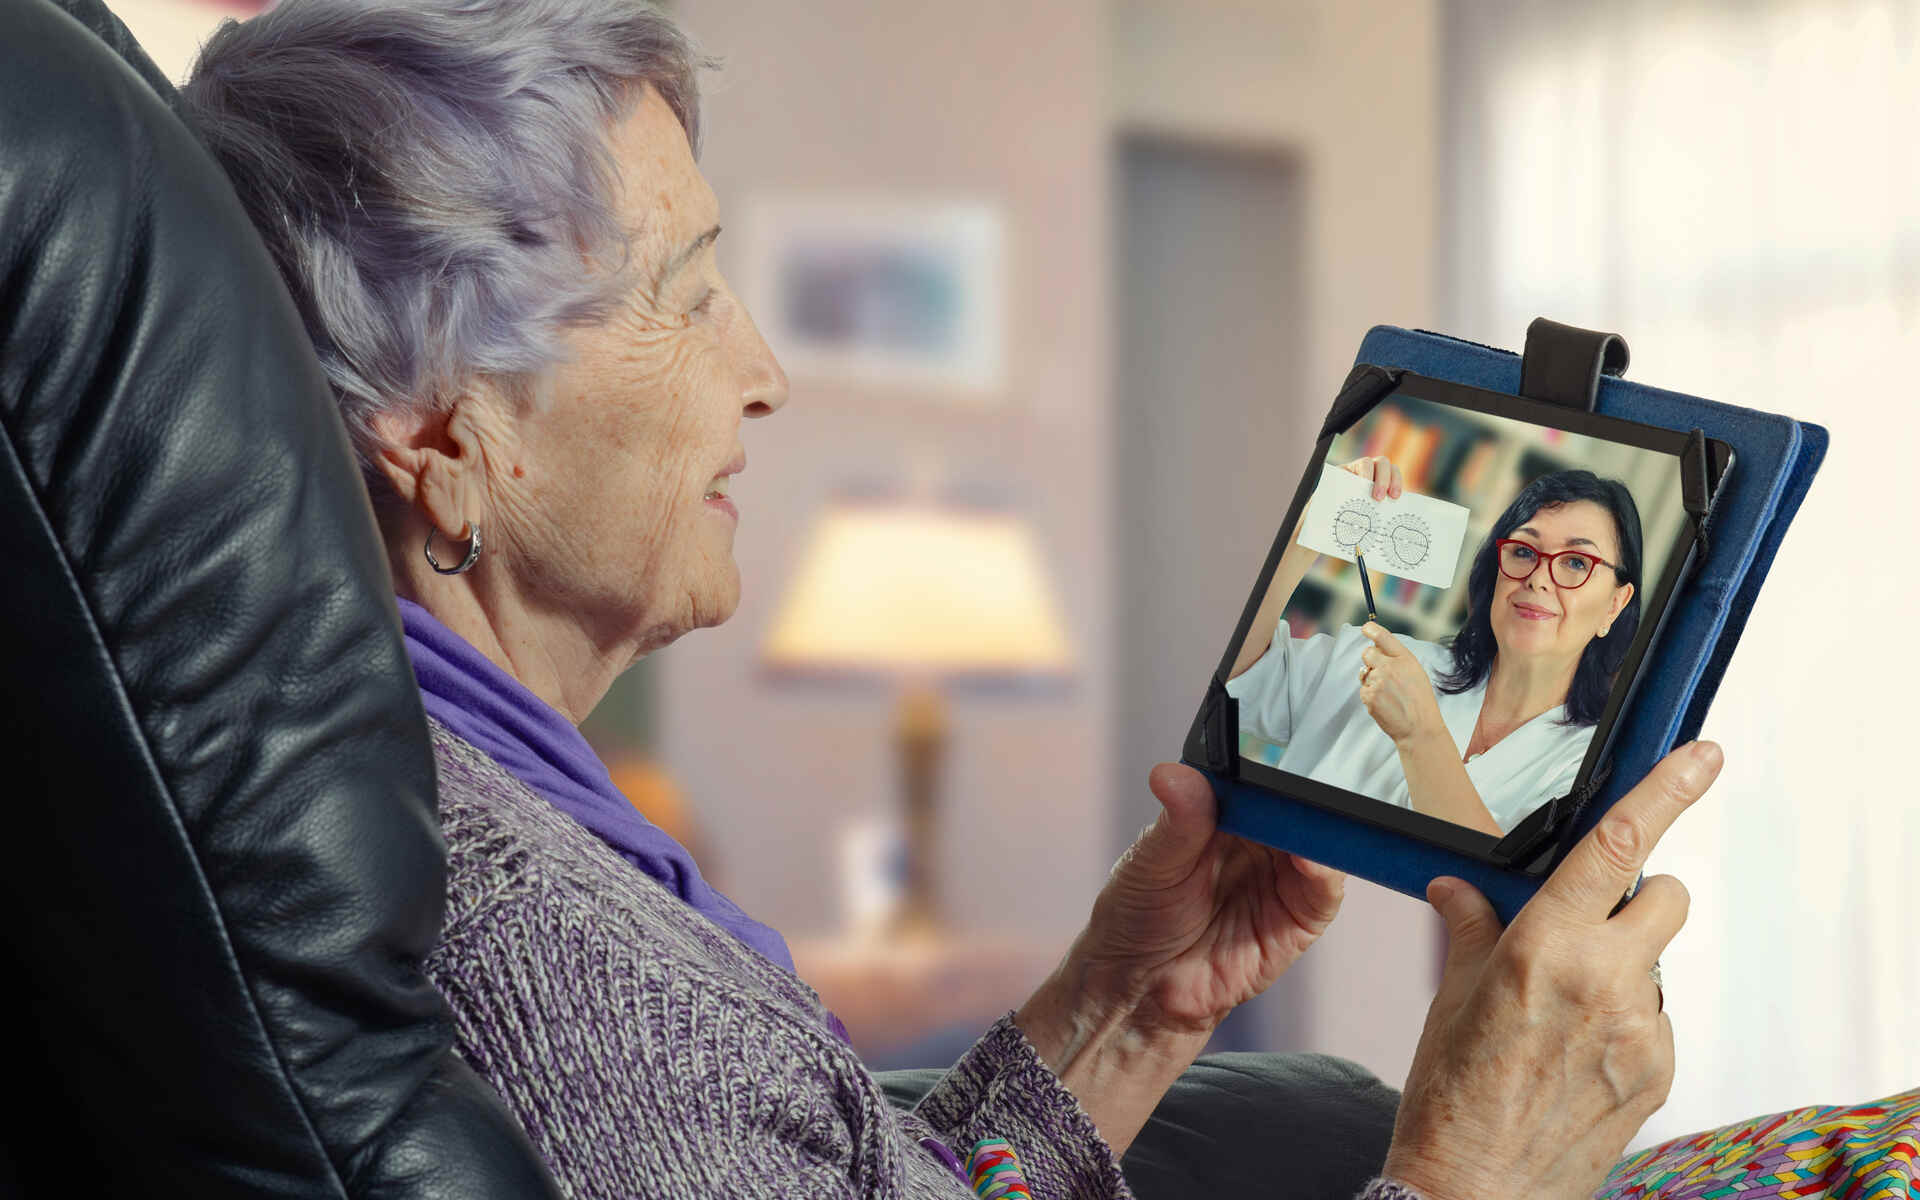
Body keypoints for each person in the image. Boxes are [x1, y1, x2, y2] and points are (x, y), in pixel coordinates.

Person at [177, 3, 1714, 1197]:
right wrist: (1473, 1170)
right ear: (445, 430)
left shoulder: (461, 806)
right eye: (690, 293)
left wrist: (1128, 1009)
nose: (763, 373)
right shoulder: (547, 967)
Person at [1230, 456, 1642, 835]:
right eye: (1522, 550)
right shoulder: (1379, 662)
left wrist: (1420, 734)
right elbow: (1235, 683)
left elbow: (1514, 890)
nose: (1537, 577)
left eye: (1575, 563)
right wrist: (1308, 531)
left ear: (1614, 605)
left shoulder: (1594, 770)